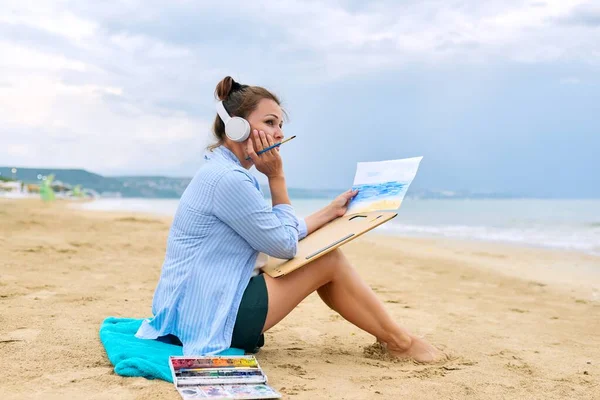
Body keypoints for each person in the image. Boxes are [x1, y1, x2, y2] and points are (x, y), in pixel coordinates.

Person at [135, 76, 442, 363]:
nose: (280, 132)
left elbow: (272, 231)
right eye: (270, 122)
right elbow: (283, 244)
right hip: (209, 317)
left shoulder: (219, 170)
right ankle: (401, 343)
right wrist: (277, 178)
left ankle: (393, 339)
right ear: (237, 129)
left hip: (193, 308)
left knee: (320, 255)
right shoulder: (230, 180)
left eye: (280, 124)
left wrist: (328, 213)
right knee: (328, 260)